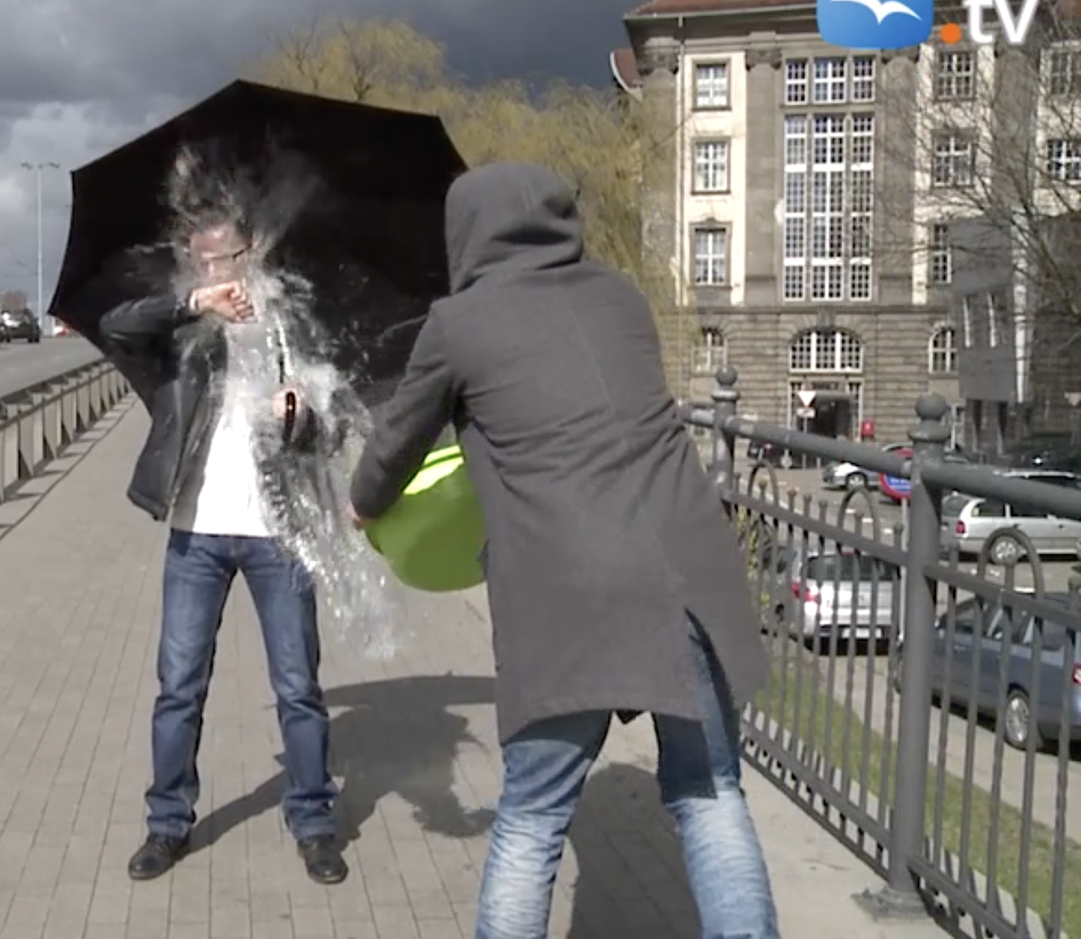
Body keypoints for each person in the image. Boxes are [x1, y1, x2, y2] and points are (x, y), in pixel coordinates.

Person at [347, 162, 779, 938]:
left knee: (534, 816)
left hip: (568, 592)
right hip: (684, 572)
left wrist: (362, 502)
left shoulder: (458, 322)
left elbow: (395, 444)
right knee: (712, 794)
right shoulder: (620, 297)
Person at [99, 214, 348, 886]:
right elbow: (115, 325)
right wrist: (193, 305)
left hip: (279, 534)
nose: (215, 271)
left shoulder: (289, 323)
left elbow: (332, 430)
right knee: (178, 686)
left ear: (253, 253)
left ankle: (315, 821)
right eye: (202, 260)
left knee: (298, 687)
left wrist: (304, 415)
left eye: (226, 258)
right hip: (196, 532)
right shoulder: (179, 329)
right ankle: (167, 824)